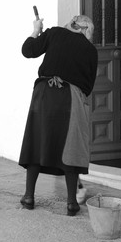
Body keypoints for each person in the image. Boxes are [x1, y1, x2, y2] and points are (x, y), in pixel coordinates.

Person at [19, 14, 98, 216]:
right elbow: (88, 86)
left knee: (37, 142)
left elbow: (28, 50)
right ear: (86, 30)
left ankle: (29, 197)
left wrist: (36, 29)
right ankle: (72, 203)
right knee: (71, 147)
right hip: (72, 99)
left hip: (44, 95)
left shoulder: (54, 33)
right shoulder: (90, 50)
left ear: (72, 24)